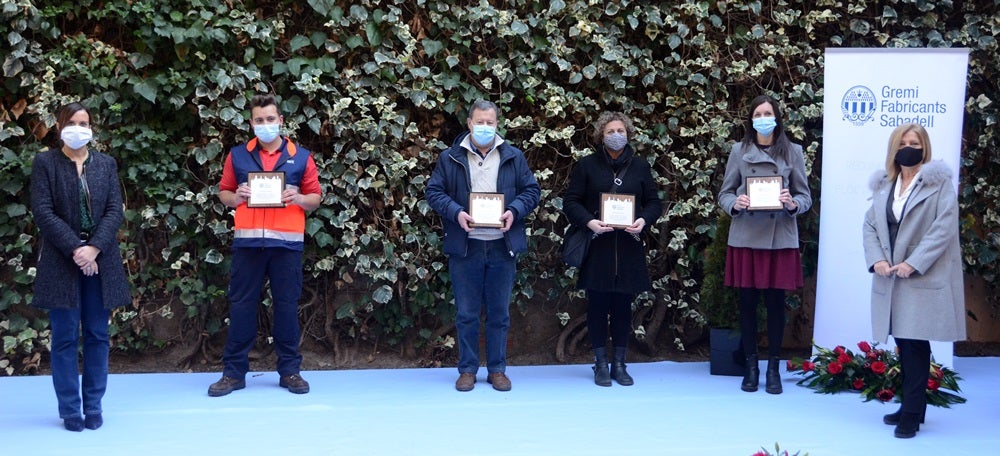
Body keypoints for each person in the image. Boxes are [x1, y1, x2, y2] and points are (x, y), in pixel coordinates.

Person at [208, 94, 322, 397]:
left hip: (286, 245)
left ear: (280, 121)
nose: (265, 124)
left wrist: (298, 198)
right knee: (241, 307)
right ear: (251, 123)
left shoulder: (301, 155)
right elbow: (224, 192)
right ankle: (233, 373)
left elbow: (316, 197)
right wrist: (236, 198)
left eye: (270, 119)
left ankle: (290, 371)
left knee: (286, 307)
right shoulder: (238, 155)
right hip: (248, 244)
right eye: (259, 120)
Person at [425, 100, 540, 392]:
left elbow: (532, 191)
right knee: (466, 313)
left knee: (500, 313)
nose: (485, 127)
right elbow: (434, 192)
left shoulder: (513, 156)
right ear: (469, 123)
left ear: (497, 124)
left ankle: (497, 369)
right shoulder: (450, 157)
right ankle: (467, 370)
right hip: (466, 247)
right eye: (480, 122)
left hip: (502, 246)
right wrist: (456, 212)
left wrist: (513, 210)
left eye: (490, 122)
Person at [30, 102, 131, 431]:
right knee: (63, 338)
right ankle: (70, 409)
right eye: (71, 122)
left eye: (84, 122)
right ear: (59, 126)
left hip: (100, 262)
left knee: (98, 336)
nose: (78, 127)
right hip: (63, 260)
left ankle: (94, 405)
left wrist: (94, 248)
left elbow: (115, 210)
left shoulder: (105, 164)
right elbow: (43, 212)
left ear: (92, 127)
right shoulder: (45, 163)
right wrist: (77, 248)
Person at [862, 123, 966, 439]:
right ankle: (913, 407)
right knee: (904, 342)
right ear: (895, 148)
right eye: (904, 142)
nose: (910, 147)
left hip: (921, 275)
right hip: (891, 277)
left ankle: (911, 412)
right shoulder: (884, 185)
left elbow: (943, 228)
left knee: (915, 343)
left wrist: (913, 262)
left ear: (925, 147)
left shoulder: (939, 185)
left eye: (915, 142)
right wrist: (877, 259)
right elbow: (870, 226)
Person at [718, 95, 811, 394]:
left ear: (777, 117)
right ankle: (751, 366)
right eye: (758, 113)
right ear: (751, 119)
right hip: (746, 235)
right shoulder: (738, 151)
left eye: (767, 112)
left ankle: (773, 368)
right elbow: (724, 193)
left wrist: (792, 203)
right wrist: (737, 202)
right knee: (746, 303)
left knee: (774, 304)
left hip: (779, 236)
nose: (763, 117)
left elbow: (805, 196)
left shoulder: (793, 151)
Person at [562, 111, 662, 387]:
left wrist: (644, 220)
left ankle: (619, 362)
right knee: (597, 306)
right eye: (609, 131)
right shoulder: (587, 166)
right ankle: (600, 363)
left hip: (629, 247)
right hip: (598, 247)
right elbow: (571, 202)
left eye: (620, 130)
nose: (615, 135)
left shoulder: (640, 167)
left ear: (628, 134)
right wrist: (589, 222)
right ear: (600, 136)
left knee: (623, 307)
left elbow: (654, 202)